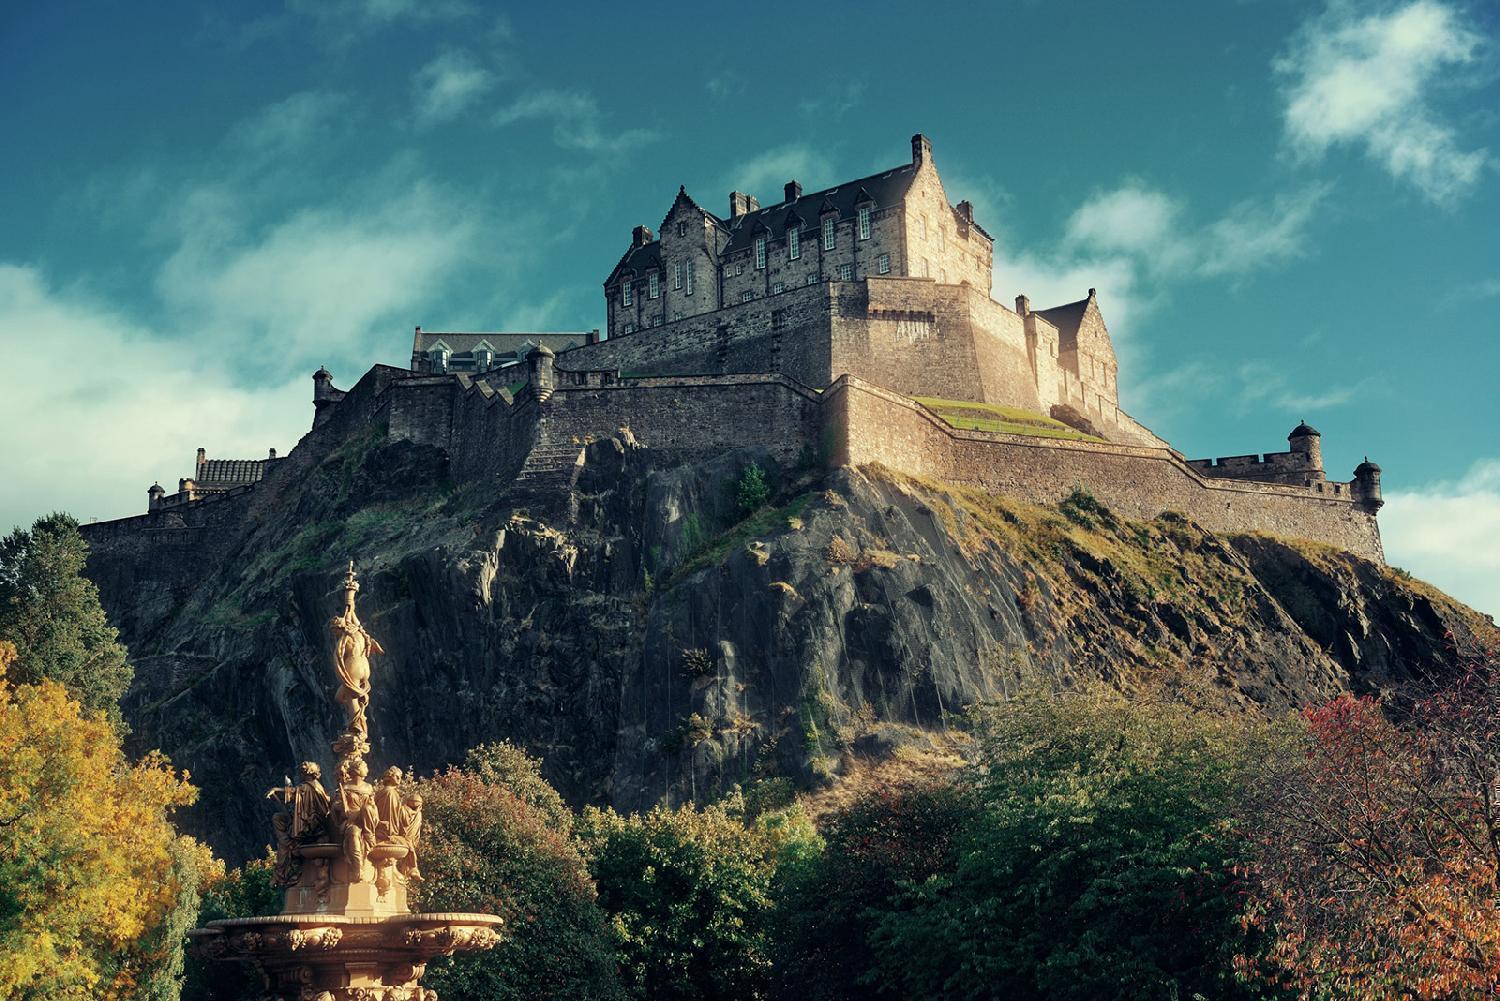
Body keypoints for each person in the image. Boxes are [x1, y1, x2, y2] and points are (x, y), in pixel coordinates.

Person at [265, 761, 330, 885]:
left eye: (302, 771)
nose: (300, 774)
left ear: (307, 773)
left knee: (284, 844)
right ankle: (287, 845)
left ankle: (283, 868)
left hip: (311, 824)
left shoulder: (309, 787)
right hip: (305, 820)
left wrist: (275, 789)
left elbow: (294, 792)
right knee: (278, 818)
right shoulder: (312, 786)